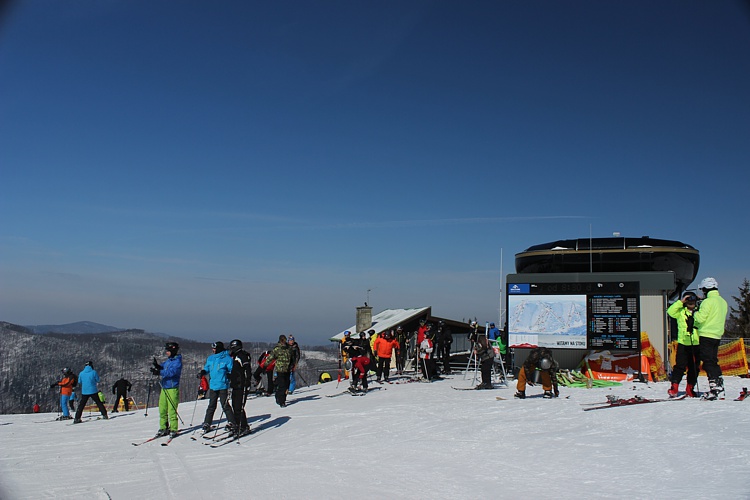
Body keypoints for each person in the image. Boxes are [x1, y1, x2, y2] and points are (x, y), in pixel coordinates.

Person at [694, 277, 729, 400]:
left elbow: (700, 319)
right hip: (717, 335)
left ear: (706, 289)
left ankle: (715, 388)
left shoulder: (707, 302)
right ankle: (719, 386)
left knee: (708, 361)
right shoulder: (722, 301)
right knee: (713, 361)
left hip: (706, 334)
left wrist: (695, 313)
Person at [667, 291, 701, 397]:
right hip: (683, 343)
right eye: (688, 301)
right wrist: (681, 302)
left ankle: (690, 388)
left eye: (693, 301)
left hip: (696, 343)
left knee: (694, 368)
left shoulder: (699, 312)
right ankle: (674, 387)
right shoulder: (680, 311)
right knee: (679, 366)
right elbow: (670, 311)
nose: (691, 303)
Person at [151, 341, 182, 437]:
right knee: (162, 408)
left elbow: (171, 372)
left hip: (172, 388)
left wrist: (159, 372)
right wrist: (157, 367)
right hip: (164, 388)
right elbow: (164, 367)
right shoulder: (169, 361)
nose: (166, 352)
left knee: (172, 409)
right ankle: (163, 427)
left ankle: (173, 428)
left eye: (168, 351)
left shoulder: (177, 362)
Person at [200, 341, 233, 431]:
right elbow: (207, 368)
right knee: (211, 405)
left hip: (223, 385)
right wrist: (203, 372)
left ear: (218, 348)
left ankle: (232, 422)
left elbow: (231, 370)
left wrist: (230, 375)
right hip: (213, 385)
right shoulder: (211, 358)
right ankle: (207, 422)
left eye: (214, 348)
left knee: (225, 405)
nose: (213, 350)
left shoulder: (227, 358)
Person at [227, 339, 252, 436]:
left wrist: (247, 381)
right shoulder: (235, 356)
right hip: (235, 385)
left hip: (241, 385)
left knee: (239, 407)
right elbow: (236, 371)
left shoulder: (241, 356)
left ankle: (244, 426)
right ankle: (238, 425)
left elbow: (247, 369)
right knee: (235, 406)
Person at [263, 335, 293, 407]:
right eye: (282, 341)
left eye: (284, 340)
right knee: (282, 386)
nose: (284, 342)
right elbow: (270, 358)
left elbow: (292, 357)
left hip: (287, 369)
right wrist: (265, 366)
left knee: (286, 385)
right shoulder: (277, 349)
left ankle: (280, 396)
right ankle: (282, 401)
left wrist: (292, 365)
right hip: (280, 370)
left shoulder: (289, 348)